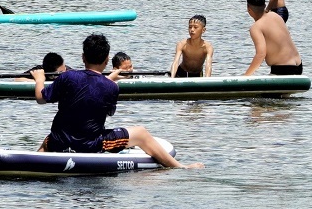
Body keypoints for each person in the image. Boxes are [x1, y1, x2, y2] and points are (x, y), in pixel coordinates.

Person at [32, 32, 193, 168]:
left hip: (59, 142)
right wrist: (108, 81)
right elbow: (106, 110)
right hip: (89, 146)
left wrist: (39, 78)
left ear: (83, 57)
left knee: (49, 140)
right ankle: (180, 167)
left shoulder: (67, 76)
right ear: (107, 60)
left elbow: (40, 97)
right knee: (141, 133)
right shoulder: (111, 87)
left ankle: (32, 164)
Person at [244, 0, 303, 75]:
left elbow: (261, 54)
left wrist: (246, 75)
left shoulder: (256, 27)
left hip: (283, 68)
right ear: (264, 5)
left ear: (248, 9)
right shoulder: (276, 16)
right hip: (298, 65)